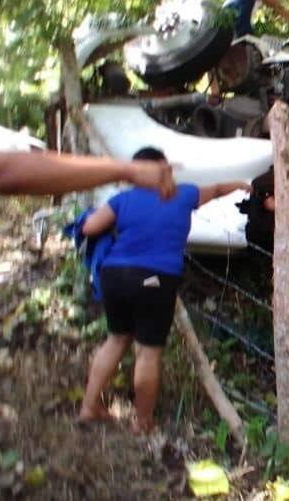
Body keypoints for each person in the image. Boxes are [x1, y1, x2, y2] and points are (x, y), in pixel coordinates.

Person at [78, 147, 251, 433]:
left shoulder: (123, 199)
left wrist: (88, 219)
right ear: (164, 169)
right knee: (147, 352)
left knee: (116, 340)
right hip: (155, 278)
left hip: (114, 275)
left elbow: (90, 227)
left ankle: (88, 407)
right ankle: (143, 421)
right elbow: (219, 188)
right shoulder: (182, 195)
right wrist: (242, 185)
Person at [0, 151, 175, 198]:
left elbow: (90, 226)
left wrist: (126, 170)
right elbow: (3, 172)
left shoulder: (121, 202)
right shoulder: (180, 196)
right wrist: (127, 170)